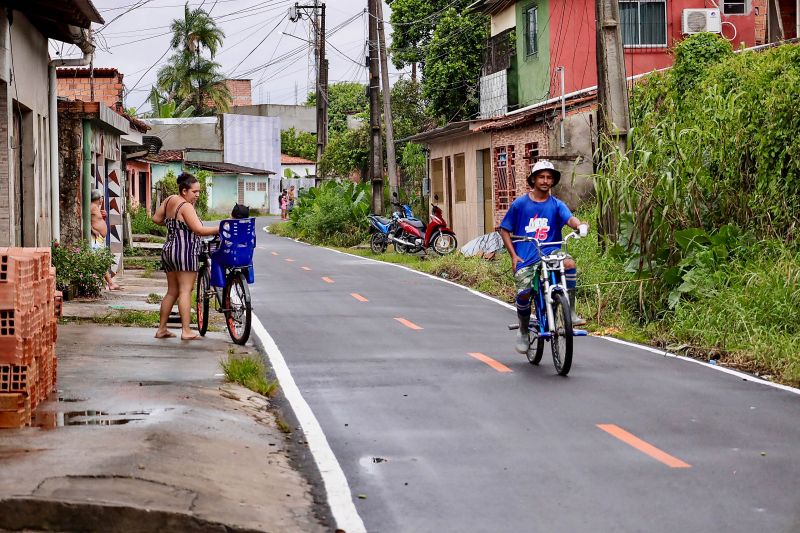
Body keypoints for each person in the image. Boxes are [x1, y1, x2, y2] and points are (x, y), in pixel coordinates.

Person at [499, 160, 589, 354]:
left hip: (551, 253)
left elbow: (570, 218)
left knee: (569, 263)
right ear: (533, 179)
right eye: (541, 177)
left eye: (549, 177)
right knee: (523, 294)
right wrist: (513, 256)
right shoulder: (520, 204)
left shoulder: (557, 204)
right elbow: (504, 230)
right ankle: (523, 330)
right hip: (527, 257)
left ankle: (570, 310)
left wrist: (579, 225)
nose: (545, 181)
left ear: (553, 181)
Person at [152, 172, 219, 340]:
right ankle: (186, 331)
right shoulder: (186, 206)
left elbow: (156, 218)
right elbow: (199, 230)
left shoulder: (169, 200)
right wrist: (221, 228)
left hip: (169, 249)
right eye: (194, 192)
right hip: (185, 250)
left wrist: (172, 224)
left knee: (172, 291)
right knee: (185, 290)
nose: (197, 195)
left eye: (199, 192)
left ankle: (161, 329)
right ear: (184, 191)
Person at [89, 189, 122, 291]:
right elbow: (84, 219)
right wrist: (93, 229)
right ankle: (110, 283)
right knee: (99, 260)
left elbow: (96, 220)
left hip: (99, 239)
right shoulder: (91, 207)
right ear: (99, 198)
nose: (102, 200)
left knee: (100, 260)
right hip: (94, 238)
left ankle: (108, 283)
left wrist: (103, 216)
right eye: (101, 197)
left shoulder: (96, 208)